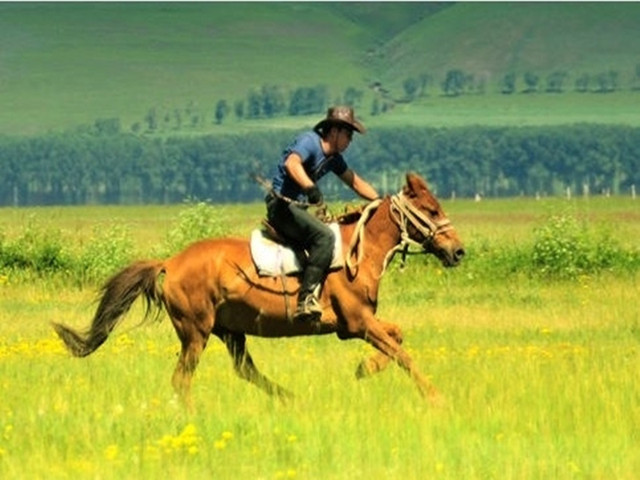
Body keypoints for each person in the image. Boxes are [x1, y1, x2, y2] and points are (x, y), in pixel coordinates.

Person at [266, 106, 379, 322]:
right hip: (281, 205)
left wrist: (381, 202)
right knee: (325, 237)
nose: (350, 140)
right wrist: (310, 188)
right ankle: (306, 300)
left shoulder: (334, 159)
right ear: (334, 131)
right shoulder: (310, 142)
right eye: (348, 134)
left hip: (296, 208)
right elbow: (292, 163)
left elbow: (355, 181)